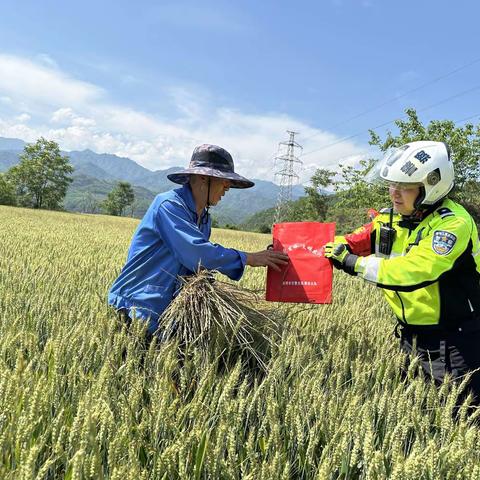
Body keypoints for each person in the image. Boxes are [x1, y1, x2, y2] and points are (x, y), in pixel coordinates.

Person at [324, 140, 480, 402]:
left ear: (431, 186)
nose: (394, 193)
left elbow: (415, 271)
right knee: (413, 409)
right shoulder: (391, 218)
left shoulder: (452, 224)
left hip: (454, 341)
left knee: (457, 418)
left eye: (405, 187)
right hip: (411, 337)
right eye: (392, 185)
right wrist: (307, 249)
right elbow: (354, 241)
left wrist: (354, 264)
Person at [108, 144, 288, 337]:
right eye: (224, 181)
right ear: (203, 177)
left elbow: (194, 267)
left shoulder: (204, 219)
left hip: (165, 314)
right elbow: (197, 254)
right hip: (136, 308)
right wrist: (249, 258)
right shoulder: (169, 205)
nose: (227, 187)